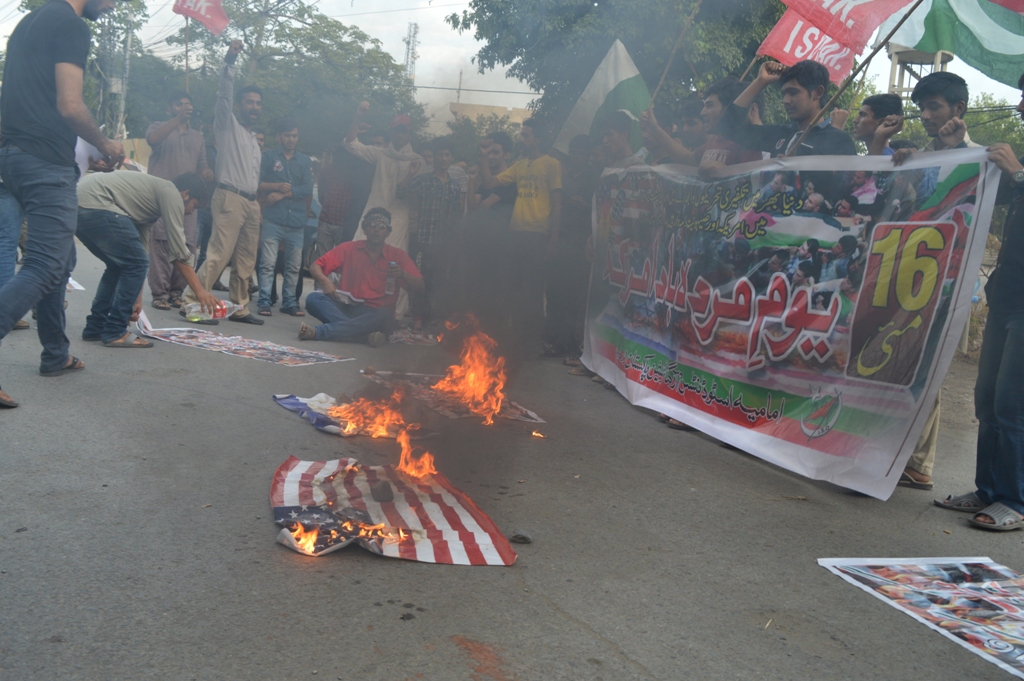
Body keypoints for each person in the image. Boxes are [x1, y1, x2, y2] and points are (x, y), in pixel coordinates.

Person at [0, 0, 126, 408]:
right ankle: (54, 353)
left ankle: (55, 354)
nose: (113, 6)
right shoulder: (72, 26)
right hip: (43, 160)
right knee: (45, 263)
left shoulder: (28, 22)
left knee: (57, 260)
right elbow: (70, 105)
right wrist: (105, 143)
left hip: (13, 154)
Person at [936, 78, 1024, 528]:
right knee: (986, 399)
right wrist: (961, 146)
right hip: (1007, 293)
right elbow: (984, 190)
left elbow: (1014, 180)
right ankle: (988, 490)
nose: (1023, 105)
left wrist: (1020, 174)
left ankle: (1015, 500)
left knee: (1012, 404)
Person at [75, 171, 221, 347]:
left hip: (77, 207)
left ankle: (95, 327)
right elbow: (178, 252)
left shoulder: (147, 205)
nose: (191, 213)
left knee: (118, 265)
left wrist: (136, 300)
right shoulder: (171, 193)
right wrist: (200, 291)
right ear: (186, 194)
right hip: (97, 204)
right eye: (194, 206)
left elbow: (140, 252)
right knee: (135, 263)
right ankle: (114, 331)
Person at [181, 39, 264, 326]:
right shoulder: (227, 124)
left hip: (251, 203)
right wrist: (229, 61)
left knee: (245, 260)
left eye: (257, 103)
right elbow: (224, 96)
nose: (253, 107)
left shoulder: (254, 139)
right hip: (229, 197)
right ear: (239, 105)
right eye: (249, 102)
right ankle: (190, 303)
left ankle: (239, 307)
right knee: (218, 254)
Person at [478, 118, 563, 355]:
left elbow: (557, 203)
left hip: (538, 236)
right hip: (515, 234)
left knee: (533, 294)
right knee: (511, 291)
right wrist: (484, 157)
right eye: (521, 135)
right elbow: (489, 182)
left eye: (526, 135)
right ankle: (514, 342)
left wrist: (553, 239)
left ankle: (533, 344)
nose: (521, 139)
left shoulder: (551, 164)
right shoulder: (519, 165)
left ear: (539, 138)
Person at [721, 60, 856, 203]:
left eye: (793, 92)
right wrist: (760, 81)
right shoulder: (778, 134)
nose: (785, 100)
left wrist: (798, 169)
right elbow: (728, 128)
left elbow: (846, 192)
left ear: (818, 92)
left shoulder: (840, 140)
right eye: (784, 94)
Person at [298, 208, 423, 346]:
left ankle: (320, 332)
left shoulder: (398, 256)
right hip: (347, 306)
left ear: (388, 232)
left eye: (382, 227)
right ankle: (363, 336)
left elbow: (420, 286)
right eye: (372, 225)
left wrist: (402, 274)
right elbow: (315, 266)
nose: (376, 230)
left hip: (374, 314)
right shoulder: (349, 248)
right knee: (313, 298)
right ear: (364, 229)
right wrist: (325, 281)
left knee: (385, 315)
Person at [145, 90, 213, 311]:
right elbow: (152, 140)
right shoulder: (158, 127)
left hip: (188, 201)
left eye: (187, 104)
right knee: (161, 245)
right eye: (178, 104)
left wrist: (206, 172)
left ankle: (176, 292)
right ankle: (160, 293)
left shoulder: (197, 136)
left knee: (187, 246)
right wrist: (178, 119)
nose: (183, 107)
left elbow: (202, 164)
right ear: (169, 108)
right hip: (162, 199)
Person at [397, 136, 464, 327]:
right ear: (433, 158)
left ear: (451, 158)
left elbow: (454, 216)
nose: (444, 158)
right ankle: (418, 317)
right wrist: (410, 174)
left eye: (447, 155)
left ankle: (434, 317)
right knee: (420, 279)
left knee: (439, 280)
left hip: (443, 243)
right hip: (422, 240)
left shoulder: (454, 186)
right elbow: (400, 193)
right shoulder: (423, 181)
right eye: (440, 155)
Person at [545, 134, 599, 360]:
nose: (576, 156)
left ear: (587, 155)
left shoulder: (595, 177)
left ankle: (572, 345)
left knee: (575, 297)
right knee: (555, 292)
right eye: (573, 151)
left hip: (581, 244)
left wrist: (586, 206)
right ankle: (554, 341)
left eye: (580, 152)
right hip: (561, 240)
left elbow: (600, 210)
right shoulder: (563, 177)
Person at [344, 103, 422, 255]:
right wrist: (358, 117)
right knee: (360, 256)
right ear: (391, 133)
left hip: (399, 220)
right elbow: (351, 144)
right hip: (373, 213)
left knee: (392, 263)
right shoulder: (382, 154)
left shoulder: (418, 161)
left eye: (403, 131)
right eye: (396, 131)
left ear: (409, 134)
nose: (399, 135)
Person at [256, 118, 313, 317]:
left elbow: (307, 188)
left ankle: (289, 302)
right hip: (273, 219)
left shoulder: (305, 161)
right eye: (287, 135)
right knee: (267, 264)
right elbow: (257, 183)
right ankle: (264, 301)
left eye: (294, 136)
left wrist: (284, 194)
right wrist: (275, 187)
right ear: (279, 137)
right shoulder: (269, 157)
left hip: (296, 222)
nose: (291, 139)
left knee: (294, 267)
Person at [893, 72, 980, 199]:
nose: (924, 116)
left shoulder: (983, 161)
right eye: (922, 108)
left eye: (933, 107)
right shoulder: (917, 159)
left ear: (959, 108)